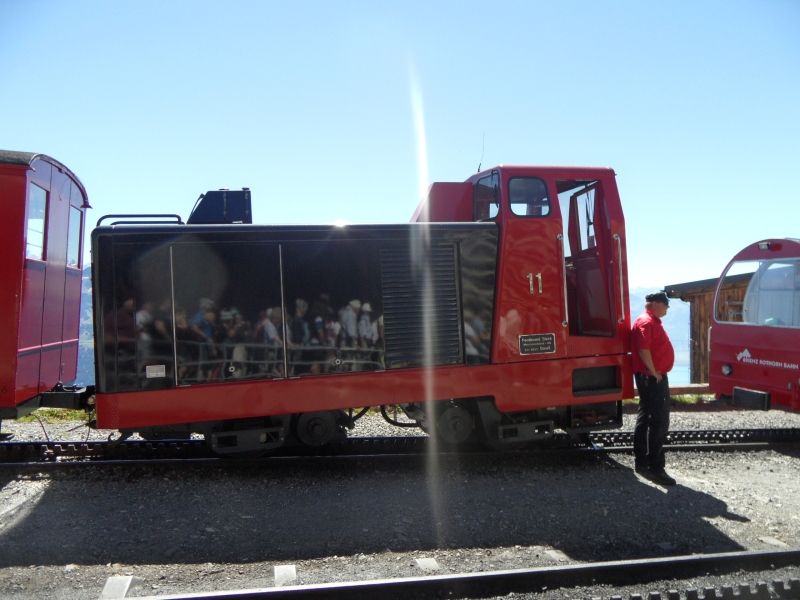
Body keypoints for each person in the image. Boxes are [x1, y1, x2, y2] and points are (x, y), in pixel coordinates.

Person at [631, 291, 676, 486]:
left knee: (646, 417)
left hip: (650, 376)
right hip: (652, 378)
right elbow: (643, 348)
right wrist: (652, 371)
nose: (667, 308)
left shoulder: (650, 321)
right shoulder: (647, 322)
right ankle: (655, 467)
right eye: (665, 304)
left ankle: (643, 463)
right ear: (656, 304)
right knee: (659, 421)